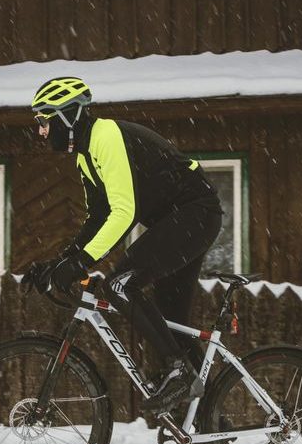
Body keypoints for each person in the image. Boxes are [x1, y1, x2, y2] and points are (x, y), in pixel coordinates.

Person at [22, 76, 222, 414]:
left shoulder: (106, 137)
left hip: (194, 215)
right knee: (171, 320)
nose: (41, 131)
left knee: (120, 285)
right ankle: (208, 424)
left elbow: (124, 211)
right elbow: (97, 219)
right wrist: (60, 262)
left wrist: (81, 261)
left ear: (66, 115)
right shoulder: (86, 155)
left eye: (44, 121)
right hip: (183, 221)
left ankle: (178, 373)